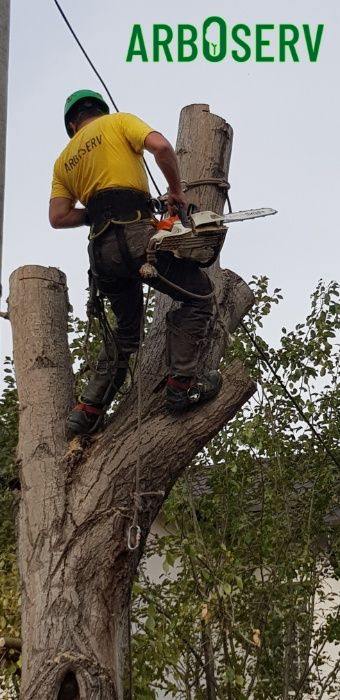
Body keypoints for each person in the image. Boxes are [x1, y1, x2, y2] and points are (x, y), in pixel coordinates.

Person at [49, 89, 222, 435]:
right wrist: (176, 192)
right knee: (200, 296)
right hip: (135, 238)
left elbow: (58, 216)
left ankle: (88, 410)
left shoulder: (63, 160)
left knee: (126, 333)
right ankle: (180, 387)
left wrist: (99, 213)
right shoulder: (119, 121)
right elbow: (161, 148)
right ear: (100, 110)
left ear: (72, 124)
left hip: (101, 252)